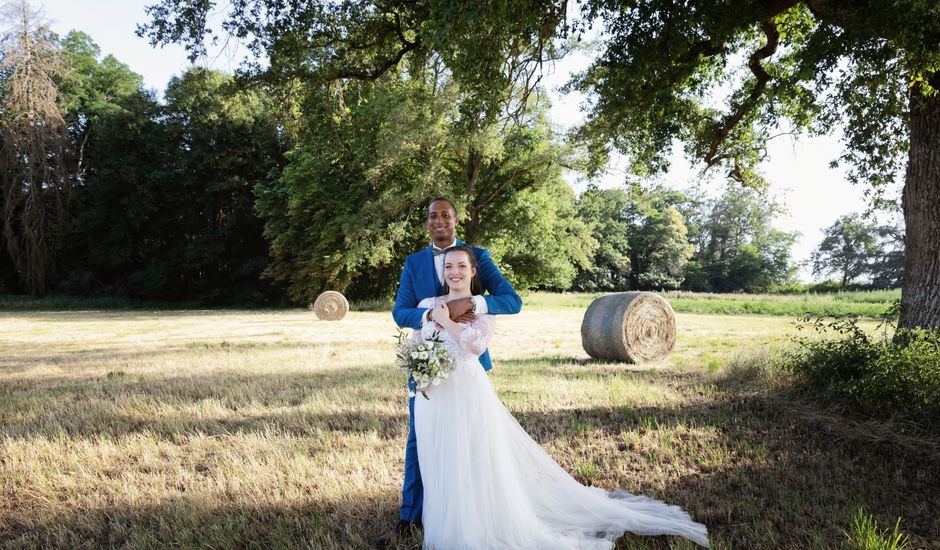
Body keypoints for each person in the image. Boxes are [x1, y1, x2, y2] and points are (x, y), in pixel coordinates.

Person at [411, 246, 709, 549]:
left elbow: (476, 347)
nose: (454, 272)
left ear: (473, 271)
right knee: (439, 459)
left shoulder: (484, 308)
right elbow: (416, 341)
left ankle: (474, 528)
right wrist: (419, 374)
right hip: (432, 396)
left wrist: (446, 321)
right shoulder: (426, 305)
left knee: (469, 459)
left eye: (461, 266)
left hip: (467, 395)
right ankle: (445, 528)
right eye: (449, 266)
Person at [376, 198, 522, 548]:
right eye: (432, 216)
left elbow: (511, 300)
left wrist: (470, 304)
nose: (439, 221)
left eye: (446, 215)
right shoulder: (413, 263)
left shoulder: (477, 257)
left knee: (471, 441)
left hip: (465, 367)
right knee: (420, 441)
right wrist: (430, 317)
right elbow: (401, 312)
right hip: (425, 364)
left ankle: (475, 510)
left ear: (457, 220)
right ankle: (410, 518)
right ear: (426, 222)